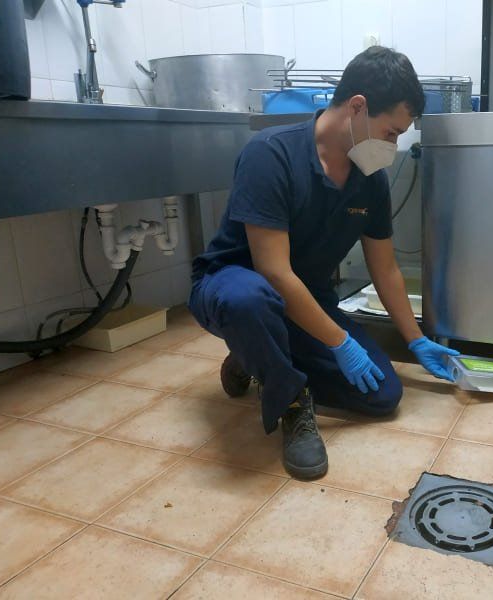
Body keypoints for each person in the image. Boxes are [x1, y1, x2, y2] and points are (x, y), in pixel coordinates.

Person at [188, 46, 458, 480]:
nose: (393, 146)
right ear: (357, 107)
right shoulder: (271, 154)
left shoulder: (370, 178)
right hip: (236, 285)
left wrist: (416, 340)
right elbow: (274, 271)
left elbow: (385, 268)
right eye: (391, 133)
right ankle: (291, 400)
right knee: (250, 301)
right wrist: (339, 343)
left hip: (306, 299)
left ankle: (255, 354)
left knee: (383, 395)